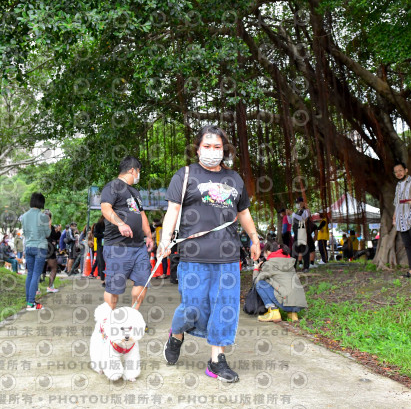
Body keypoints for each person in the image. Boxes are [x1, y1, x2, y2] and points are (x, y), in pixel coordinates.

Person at [159, 125, 260, 383]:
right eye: (207, 146)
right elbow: (173, 210)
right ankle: (176, 334)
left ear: (225, 150)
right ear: (197, 148)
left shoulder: (234, 179)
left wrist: (254, 237)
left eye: (217, 147)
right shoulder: (185, 175)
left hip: (227, 256)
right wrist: (165, 240)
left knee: (225, 307)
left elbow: (243, 212)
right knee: (192, 307)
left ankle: (217, 360)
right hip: (193, 255)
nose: (212, 151)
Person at [100, 156, 154, 310]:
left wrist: (149, 236)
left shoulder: (135, 192)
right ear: (132, 170)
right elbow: (105, 208)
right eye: (139, 171)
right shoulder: (113, 186)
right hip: (118, 247)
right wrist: (120, 224)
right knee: (114, 288)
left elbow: (142, 215)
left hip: (139, 247)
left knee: (143, 281)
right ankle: (108, 319)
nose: (139, 175)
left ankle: (132, 317)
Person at [254, 242, 308, 322]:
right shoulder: (289, 261)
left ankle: (273, 312)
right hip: (299, 304)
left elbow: (256, 281)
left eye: (264, 252)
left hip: (286, 304)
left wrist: (256, 269)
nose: (264, 255)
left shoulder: (270, 263)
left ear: (268, 251)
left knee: (260, 284)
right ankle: (292, 314)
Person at [20, 192, 51, 310]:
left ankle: (29, 300)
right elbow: (47, 234)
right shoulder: (43, 216)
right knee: (36, 274)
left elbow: (25, 233)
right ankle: (31, 303)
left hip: (28, 247)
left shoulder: (24, 216)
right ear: (41, 202)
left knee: (30, 273)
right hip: (40, 247)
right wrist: (49, 223)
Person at [393, 161, 411, 278]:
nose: (398, 173)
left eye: (400, 170)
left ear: (406, 170)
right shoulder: (398, 185)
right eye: (396, 172)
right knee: (408, 245)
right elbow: (396, 203)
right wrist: (394, 216)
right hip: (401, 219)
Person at [291, 197, 310, 270]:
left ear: (302, 202)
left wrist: (293, 214)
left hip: (302, 233)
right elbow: (291, 222)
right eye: (297, 203)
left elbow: (302, 219)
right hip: (296, 233)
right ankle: (293, 267)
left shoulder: (306, 211)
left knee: (304, 250)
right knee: (295, 250)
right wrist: (289, 215)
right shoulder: (296, 212)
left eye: (299, 202)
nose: (298, 204)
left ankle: (306, 267)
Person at [44, 210, 61, 291]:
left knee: (37, 270)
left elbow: (56, 236)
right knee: (54, 268)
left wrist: (58, 231)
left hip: (40, 249)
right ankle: (50, 287)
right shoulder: (49, 227)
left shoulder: (38, 227)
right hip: (48, 249)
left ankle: (36, 290)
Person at [91, 216, 106, 285]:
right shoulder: (98, 225)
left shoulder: (111, 224)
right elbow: (95, 234)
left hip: (108, 245)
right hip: (100, 245)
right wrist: (103, 235)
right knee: (101, 262)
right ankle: (102, 279)